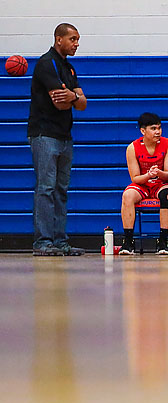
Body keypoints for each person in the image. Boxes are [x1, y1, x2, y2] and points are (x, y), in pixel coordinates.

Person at [28, 23, 87, 256]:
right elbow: (59, 102)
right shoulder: (46, 64)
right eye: (72, 39)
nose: (76, 44)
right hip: (44, 135)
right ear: (58, 39)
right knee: (46, 188)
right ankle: (43, 242)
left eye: (78, 39)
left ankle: (60, 241)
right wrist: (75, 97)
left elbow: (82, 103)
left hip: (64, 136)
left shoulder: (69, 69)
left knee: (61, 190)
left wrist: (72, 95)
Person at [120, 112, 168, 255]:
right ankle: (128, 242)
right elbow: (135, 178)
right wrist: (148, 175)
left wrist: (159, 173)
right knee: (127, 196)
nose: (158, 132)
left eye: (159, 128)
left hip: (160, 183)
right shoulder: (132, 148)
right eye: (153, 128)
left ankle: (162, 241)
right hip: (142, 184)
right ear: (143, 131)